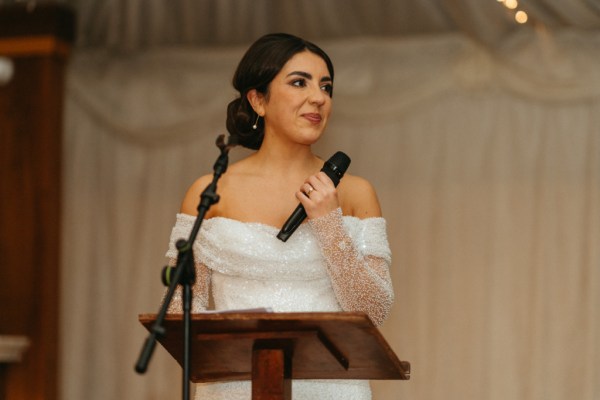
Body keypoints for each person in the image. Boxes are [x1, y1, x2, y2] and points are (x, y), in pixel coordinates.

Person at [164, 32, 394, 400]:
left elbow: (373, 309)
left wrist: (328, 222)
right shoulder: (210, 192)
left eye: (326, 86)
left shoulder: (354, 193)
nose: (318, 97)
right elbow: (178, 312)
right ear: (257, 100)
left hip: (332, 388)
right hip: (234, 387)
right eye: (299, 82)